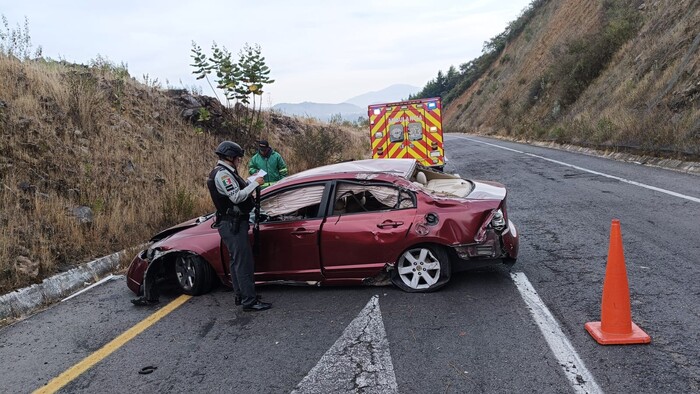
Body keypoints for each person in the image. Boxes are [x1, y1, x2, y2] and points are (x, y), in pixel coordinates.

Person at [207, 141, 271, 312]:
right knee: (243, 263)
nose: (239, 161)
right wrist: (255, 183)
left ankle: (241, 295)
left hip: (231, 223)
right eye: (238, 158)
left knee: (237, 262)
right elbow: (236, 197)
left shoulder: (225, 172)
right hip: (232, 224)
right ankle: (249, 301)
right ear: (230, 157)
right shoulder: (223, 175)